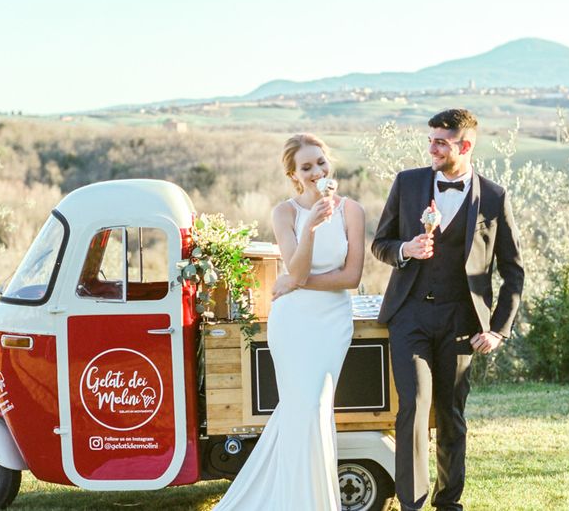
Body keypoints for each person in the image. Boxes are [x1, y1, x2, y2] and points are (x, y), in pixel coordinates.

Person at [372, 109, 524, 511]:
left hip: (461, 322)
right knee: (415, 407)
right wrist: (405, 249)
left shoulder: (494, 197)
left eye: (441, 141)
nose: (432, 148)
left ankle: (448, 503)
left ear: (466, 146)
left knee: (451, 413)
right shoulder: (408, 183)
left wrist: (498, 330)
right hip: (409, 317)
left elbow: (513, 271)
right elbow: (380, 243)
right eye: (431, 140)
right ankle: (412, 504)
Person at [214, 133, 365, 511]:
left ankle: (312, 498)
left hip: (332, 320)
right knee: (302, 408)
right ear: (294, 175)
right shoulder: (285, 213)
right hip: (294, 321)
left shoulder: (352, 210)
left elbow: (350, 278)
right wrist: (310, 225)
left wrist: (295, 282)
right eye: (307, 167)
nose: (317, 171)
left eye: (321, 163)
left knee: (318, 407)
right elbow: (294, 268)